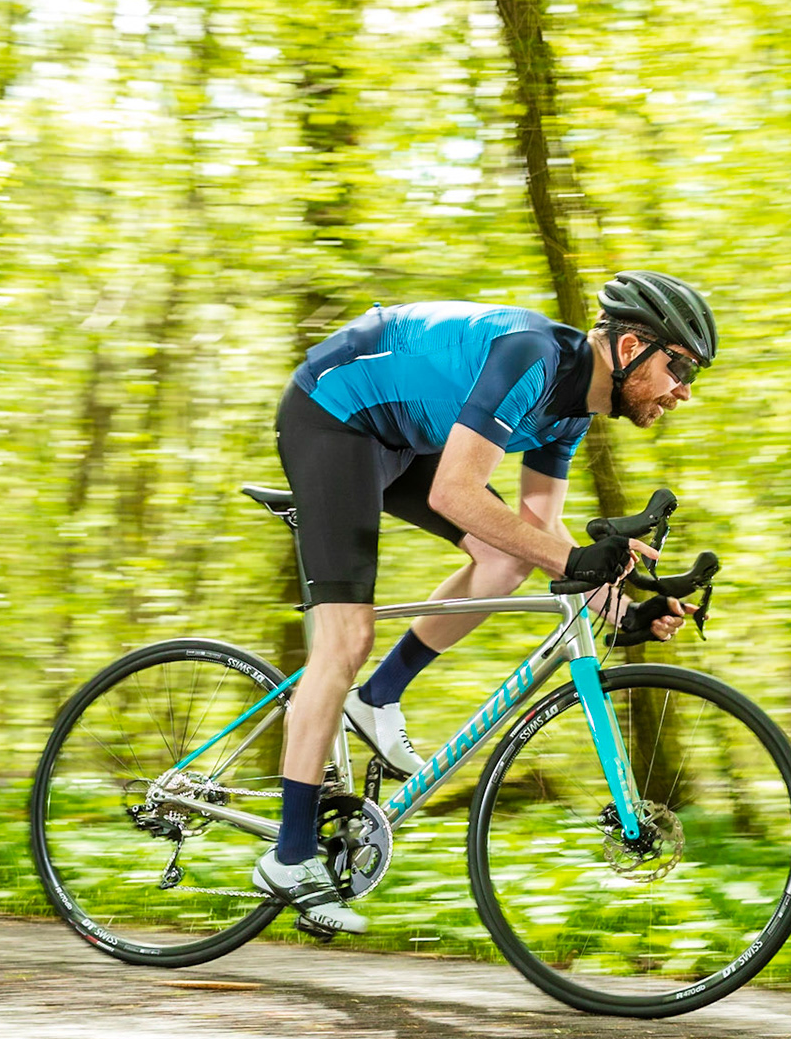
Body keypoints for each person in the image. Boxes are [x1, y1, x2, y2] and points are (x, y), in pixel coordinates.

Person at [253, 271, 719, 933]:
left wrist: (628, 612)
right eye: (680, 368)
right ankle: (290, 855)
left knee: (505, 560)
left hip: (400, 439)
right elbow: (454, 496)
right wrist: (573, 562)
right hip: (333, 415)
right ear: (629, 348)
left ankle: (377, 698)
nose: (684, 393)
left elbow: (542, 536)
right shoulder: (530, 357)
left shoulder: (572, 412)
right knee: (344, 639)